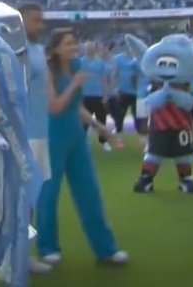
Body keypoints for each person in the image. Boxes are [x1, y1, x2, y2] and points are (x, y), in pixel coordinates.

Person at [35, 27, 126, 268]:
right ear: (54, 48)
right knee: (49, 194)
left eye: (74, 43)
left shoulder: (76, 67)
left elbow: (76, 106)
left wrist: (98, 126)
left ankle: (106, 249)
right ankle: (48, 247)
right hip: (53, 137)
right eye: (67, 44)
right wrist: (74, 84)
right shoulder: (48, 70)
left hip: (76, 137)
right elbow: (54, 107)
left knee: (89, 192)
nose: (73, 48)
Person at [17, 3, 53, 275]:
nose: (40, 26)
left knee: (30, 200)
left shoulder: (39, 51)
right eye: (35, 20)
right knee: (22, 200)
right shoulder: (14, 53)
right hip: (23, 135)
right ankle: (17, 257)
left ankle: (19, 255)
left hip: (40, 133)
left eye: (41, 20)